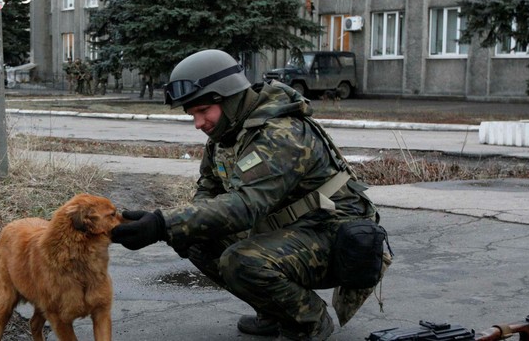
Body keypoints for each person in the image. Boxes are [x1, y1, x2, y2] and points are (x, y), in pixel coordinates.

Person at [111, 49, 385, 341]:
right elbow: (208, 189)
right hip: (292, 228)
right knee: (194, 239)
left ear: (228, 98)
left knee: (241, 261)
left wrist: (162, 224)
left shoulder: (280, 132)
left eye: (203, 111)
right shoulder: (227, 133)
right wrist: (176, 228)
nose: (198, 123)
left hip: (332, 234)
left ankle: (308, 322)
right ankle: (274, 312)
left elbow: (245, 206)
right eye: (192, 114)